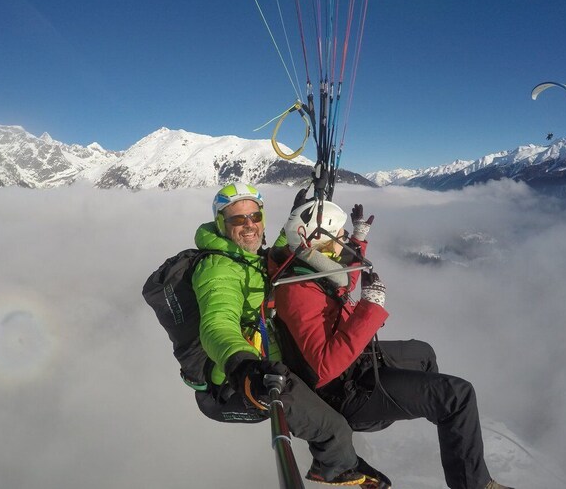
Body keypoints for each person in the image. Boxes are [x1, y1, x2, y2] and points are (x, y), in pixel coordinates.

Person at [269, 198, 514, 489]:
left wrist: (358, 241)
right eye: (341, 235)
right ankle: (474, 483)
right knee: (457, 396)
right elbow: (325, 367)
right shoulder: (299, 292)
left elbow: (341, 280)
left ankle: (433, 414)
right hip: (346, 391)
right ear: (318, 241)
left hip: (354, 365)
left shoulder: (305, 267)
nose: (344, 239)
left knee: (423, 353)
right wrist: (369, 309)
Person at [190, 182, 388, 486]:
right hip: (241, 382)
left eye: (254, 217)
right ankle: (339, 469)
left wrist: (294, 222)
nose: (249, 225)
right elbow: (218, 323)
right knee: (333, 428)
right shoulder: (219, 270)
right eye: (236, 220)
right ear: (220, 223)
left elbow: (277, 255)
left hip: (267, 360)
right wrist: (243, 365)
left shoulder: (246, 256)